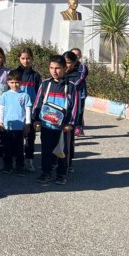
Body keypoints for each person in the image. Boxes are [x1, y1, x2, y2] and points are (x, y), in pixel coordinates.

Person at [33, 55, 79, 186]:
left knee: (62, 152)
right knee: (46, 150)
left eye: (58, 68)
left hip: (63, 128)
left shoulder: (71, 87)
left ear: (65, 68)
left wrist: (70, 124)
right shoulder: (45, 84)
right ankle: (46, 173)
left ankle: (61, 174)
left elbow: (75, 107)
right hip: (47, 126)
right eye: (51, 68)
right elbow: (38, 103)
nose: (54, 71)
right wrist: (36, 119)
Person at [0, 70, 32, 176]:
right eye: (12, 82)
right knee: (7, 148)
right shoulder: (5, 95)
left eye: (17, 82)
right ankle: (7, 166)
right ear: (8, 82)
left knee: (19, 149)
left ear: (21, 82)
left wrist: (28, 123)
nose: (15, 85)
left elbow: (27, 110)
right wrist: (0, 122)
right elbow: (1, 109)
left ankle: (19, 167)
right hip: (7, 127)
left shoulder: (25, 95)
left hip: (20, 127)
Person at [12, 48, 41, 172]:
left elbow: (39, 96)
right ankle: (15, 160)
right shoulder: (14, 74)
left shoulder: (35, 76)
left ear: (32, 59)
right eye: (23, 58)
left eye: (28, 58)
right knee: (16, 138)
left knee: (30, 138)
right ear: (19, 58)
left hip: (31, 111)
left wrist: (37, 115)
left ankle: (29, 160)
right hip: (16, 111)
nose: (25, 61)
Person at [63, 50, 86, 172]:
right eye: (64, 62)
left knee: (68, 140)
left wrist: (74, 121)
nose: (66, 65)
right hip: (58, 114)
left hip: (70, 114)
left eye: (69, 63)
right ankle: (57, 161)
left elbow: (76, 103)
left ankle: (68, 163)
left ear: (74, 63)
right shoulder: (58, 75)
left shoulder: (76, 76)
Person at [70, 47, 89, 137]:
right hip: (68, 92)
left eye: (77, 55)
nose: (75, 56)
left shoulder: (82, 67)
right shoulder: (66, 65)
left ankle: (78, 127)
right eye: (73, 54)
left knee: (79, 111)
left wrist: (72, 86)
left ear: (80, 56)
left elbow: (81, 78)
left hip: (80, 92)